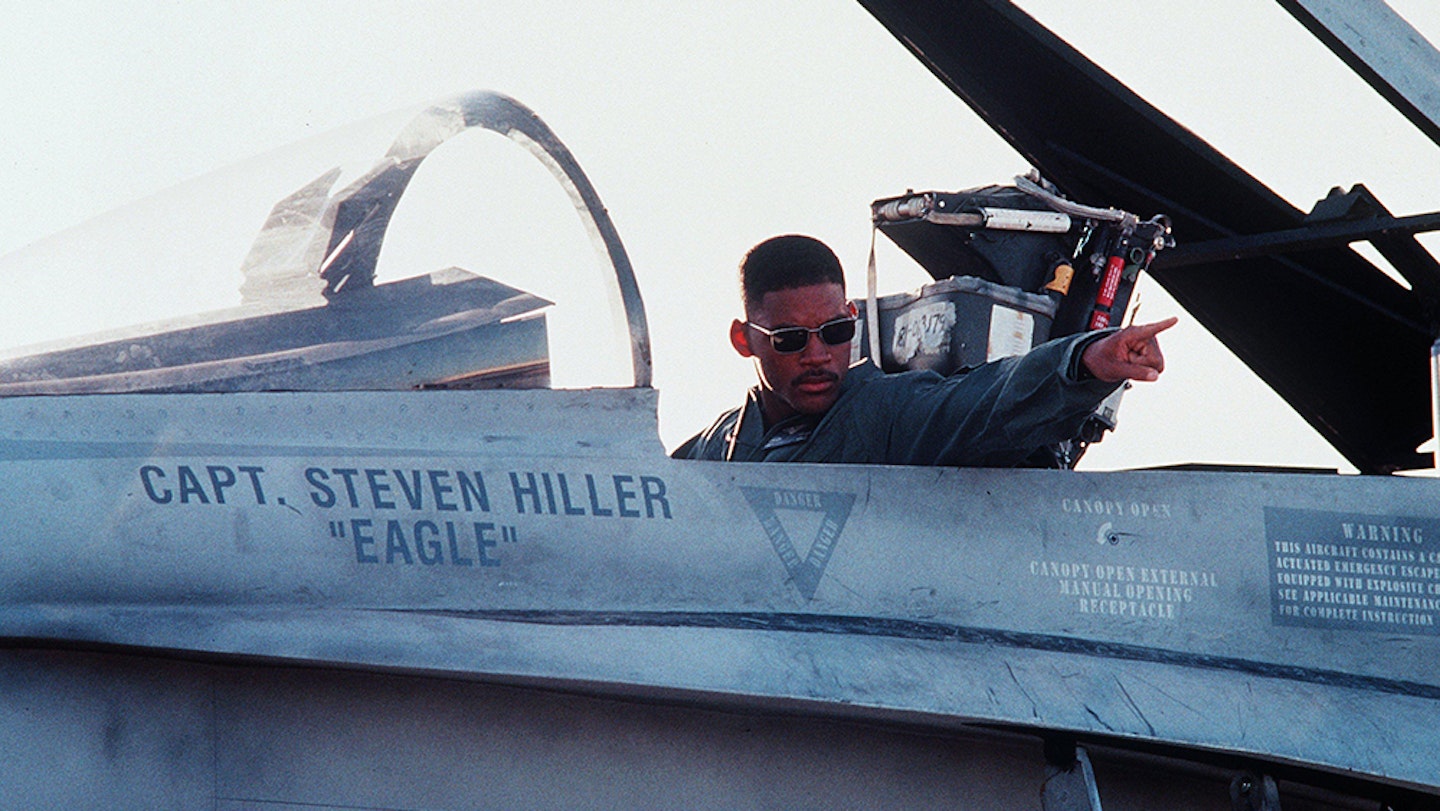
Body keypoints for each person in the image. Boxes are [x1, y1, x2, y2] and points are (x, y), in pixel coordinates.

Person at [672, 234, 1175, 465]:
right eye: (790, 339)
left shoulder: (888, 413)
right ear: (744, 340)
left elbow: (983, 401)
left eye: (835, 331)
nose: (818, 355)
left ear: (852, 318)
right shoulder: (712, 450)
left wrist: (1087, 361)